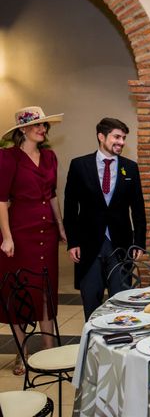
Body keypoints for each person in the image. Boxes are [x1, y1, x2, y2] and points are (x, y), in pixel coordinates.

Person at [0, 106, 65, 376]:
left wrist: (61, 227)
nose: (43, 129)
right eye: (38, 125)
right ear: (23, 129)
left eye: (45, 126)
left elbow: (52, 196)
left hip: (46, 233)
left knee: (46, 293)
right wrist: (6, 237)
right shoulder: (7, 158)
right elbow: (1, 201)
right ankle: (21, 353)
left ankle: (50, 352)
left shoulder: (50, 157)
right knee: (19, 294)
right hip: (19, 233)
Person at [64, 118, 146, 320]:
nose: (121, 142)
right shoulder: (79, 165)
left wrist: (139, 243)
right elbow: (70, 207)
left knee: (123, 302)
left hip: (121, 244)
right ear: (101, 136)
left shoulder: (130, 168)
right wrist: (72, 242)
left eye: (124, 138)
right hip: (88, 244)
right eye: (116, 137)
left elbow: (138, 209)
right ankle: (93, 347)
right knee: (91, 301)